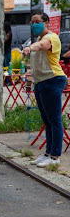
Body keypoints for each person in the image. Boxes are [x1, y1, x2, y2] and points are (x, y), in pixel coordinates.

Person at [22, 12, 67, 167]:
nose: (34, 24)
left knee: (54, 120)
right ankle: (47, 153)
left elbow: (41, 46)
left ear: (46, 22)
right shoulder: (39, 39)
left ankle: (55, 157)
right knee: (47, 120)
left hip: (53, 80)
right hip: (40, 82)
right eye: (32, 22)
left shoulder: (51, 38)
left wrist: (29, 47)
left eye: (37, 21)